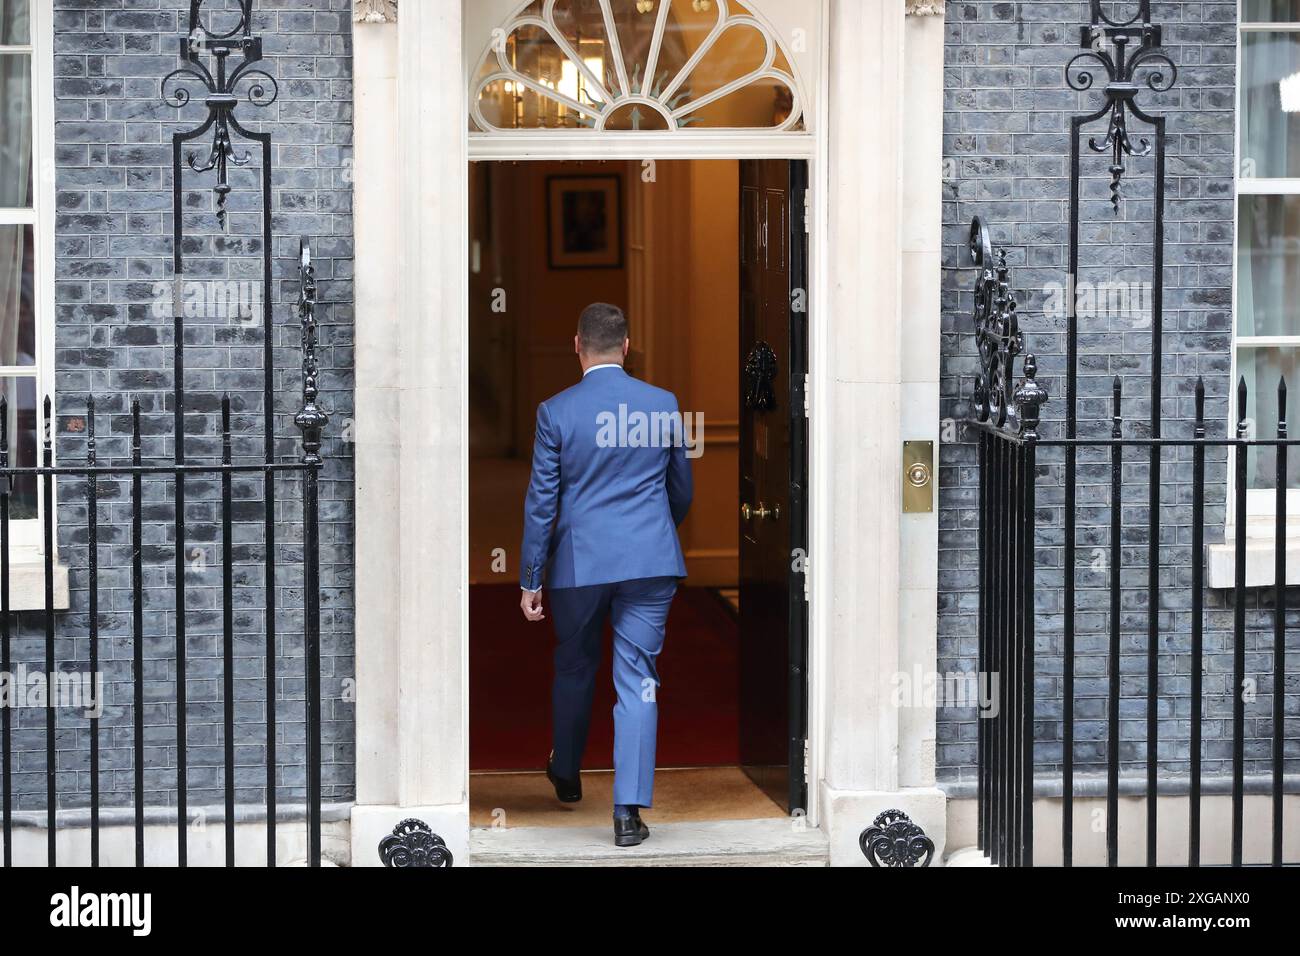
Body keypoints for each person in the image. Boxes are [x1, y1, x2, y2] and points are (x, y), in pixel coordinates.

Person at [519, 302, 693, 847]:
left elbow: (541, 503)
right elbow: (681, 493)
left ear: (577, 346)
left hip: (579, 563)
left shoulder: (555, 412)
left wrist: (530, 576)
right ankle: (626, 814)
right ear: (626, 346)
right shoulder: (663, 405)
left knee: (574, 666)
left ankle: (567, 773)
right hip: (648, 562)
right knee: (638, 677)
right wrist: (652, 532)